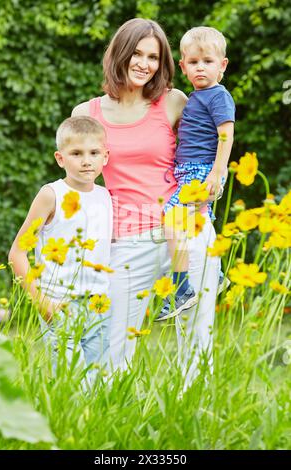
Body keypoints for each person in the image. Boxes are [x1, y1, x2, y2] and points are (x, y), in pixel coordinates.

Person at [72, 18, 220, 386]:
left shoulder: (173, 101)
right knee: (113, 345)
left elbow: (205, 149)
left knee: (197, 340)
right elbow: (79, 179)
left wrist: (215, 180)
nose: (144, 63)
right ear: (119, 54)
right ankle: (106, 425)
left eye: (153, 57)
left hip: (187, 228)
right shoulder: (85, 114)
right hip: (127, 239)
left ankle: (193, 422)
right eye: (136, 53)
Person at [9, 116, 113, 383]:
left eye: (94, 153)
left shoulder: (105, 196)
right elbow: (17, 253)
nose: (86, 160)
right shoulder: (51, 195)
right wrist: (42, 302)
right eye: (76, 153)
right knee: (70, 386)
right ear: (60, 158)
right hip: (60, 305)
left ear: (106, 156)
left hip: (99, 306)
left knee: (100, 386)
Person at [157, 26, 235, 321]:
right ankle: (217, 275)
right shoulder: (196, 97)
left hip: (203, 171)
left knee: (172, 220)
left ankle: (181, 290)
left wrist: (218, 171)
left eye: (208, 61)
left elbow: (226, 135)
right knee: (197, 226)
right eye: (193, 62)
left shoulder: (218, 96)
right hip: (189, 171)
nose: (200, 67)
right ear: (183, 66)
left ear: (222, 65)